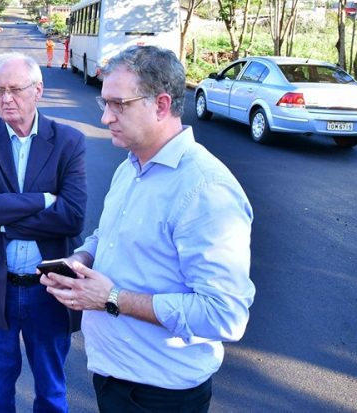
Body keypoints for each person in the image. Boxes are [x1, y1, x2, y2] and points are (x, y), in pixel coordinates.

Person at [40, 45, 255, 412]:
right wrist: (80, 259)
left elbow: (224, 314)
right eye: (104, 103)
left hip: (158, 396)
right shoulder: (131, 167)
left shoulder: (206, 189)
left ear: (161, 105)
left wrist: (111, 299)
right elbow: (106, 236)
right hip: (116, 381)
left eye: (118, 104)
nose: (106, 117)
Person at [0, 52, 88, 412]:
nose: (5, 99)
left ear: (38, 91)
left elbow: (73, 217)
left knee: (51, 393)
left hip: (48, 288)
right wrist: (43, 199)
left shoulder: (68, 141)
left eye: (15, 89)